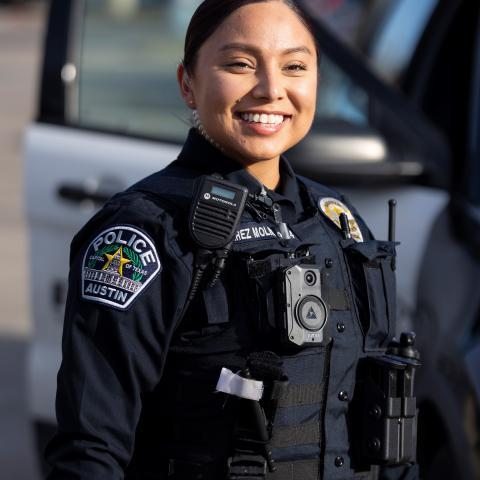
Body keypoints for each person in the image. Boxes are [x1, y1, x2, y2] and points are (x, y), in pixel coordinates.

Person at [45, 1, 420, 479]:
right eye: (240, 64)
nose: (270, 90)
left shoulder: (339, 223)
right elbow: (89, 450)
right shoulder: (146, 230)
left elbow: (387, 429)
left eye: (295, 66)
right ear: (187, 83)